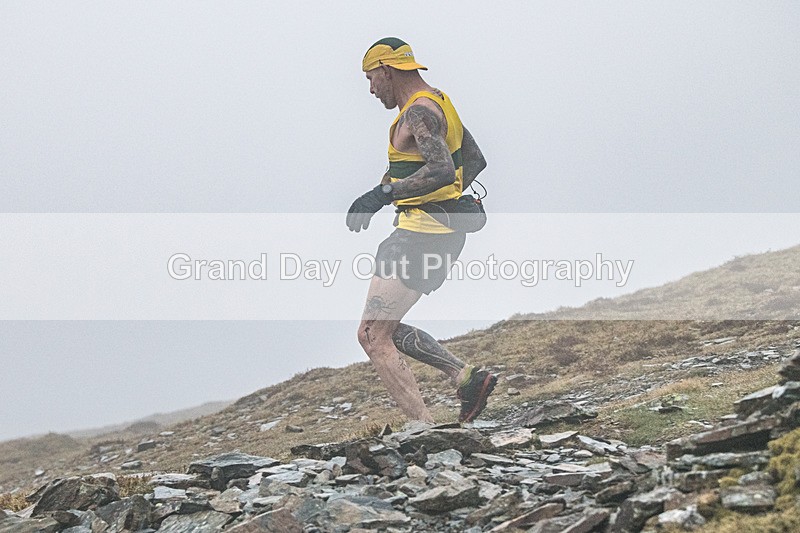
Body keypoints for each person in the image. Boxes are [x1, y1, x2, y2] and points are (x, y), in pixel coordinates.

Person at [346, 37, 497, 424]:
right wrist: (449, 204)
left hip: (419, 236)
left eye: (370, 78)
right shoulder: (439, 101)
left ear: (386, 70)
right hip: (438, 233)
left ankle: (423, 428)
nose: (370, 89)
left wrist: (383, 194)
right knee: (385, 328)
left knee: (371, 335)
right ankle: (466, 378)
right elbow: (474, 159)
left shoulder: (419, 112)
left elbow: (443, 169)